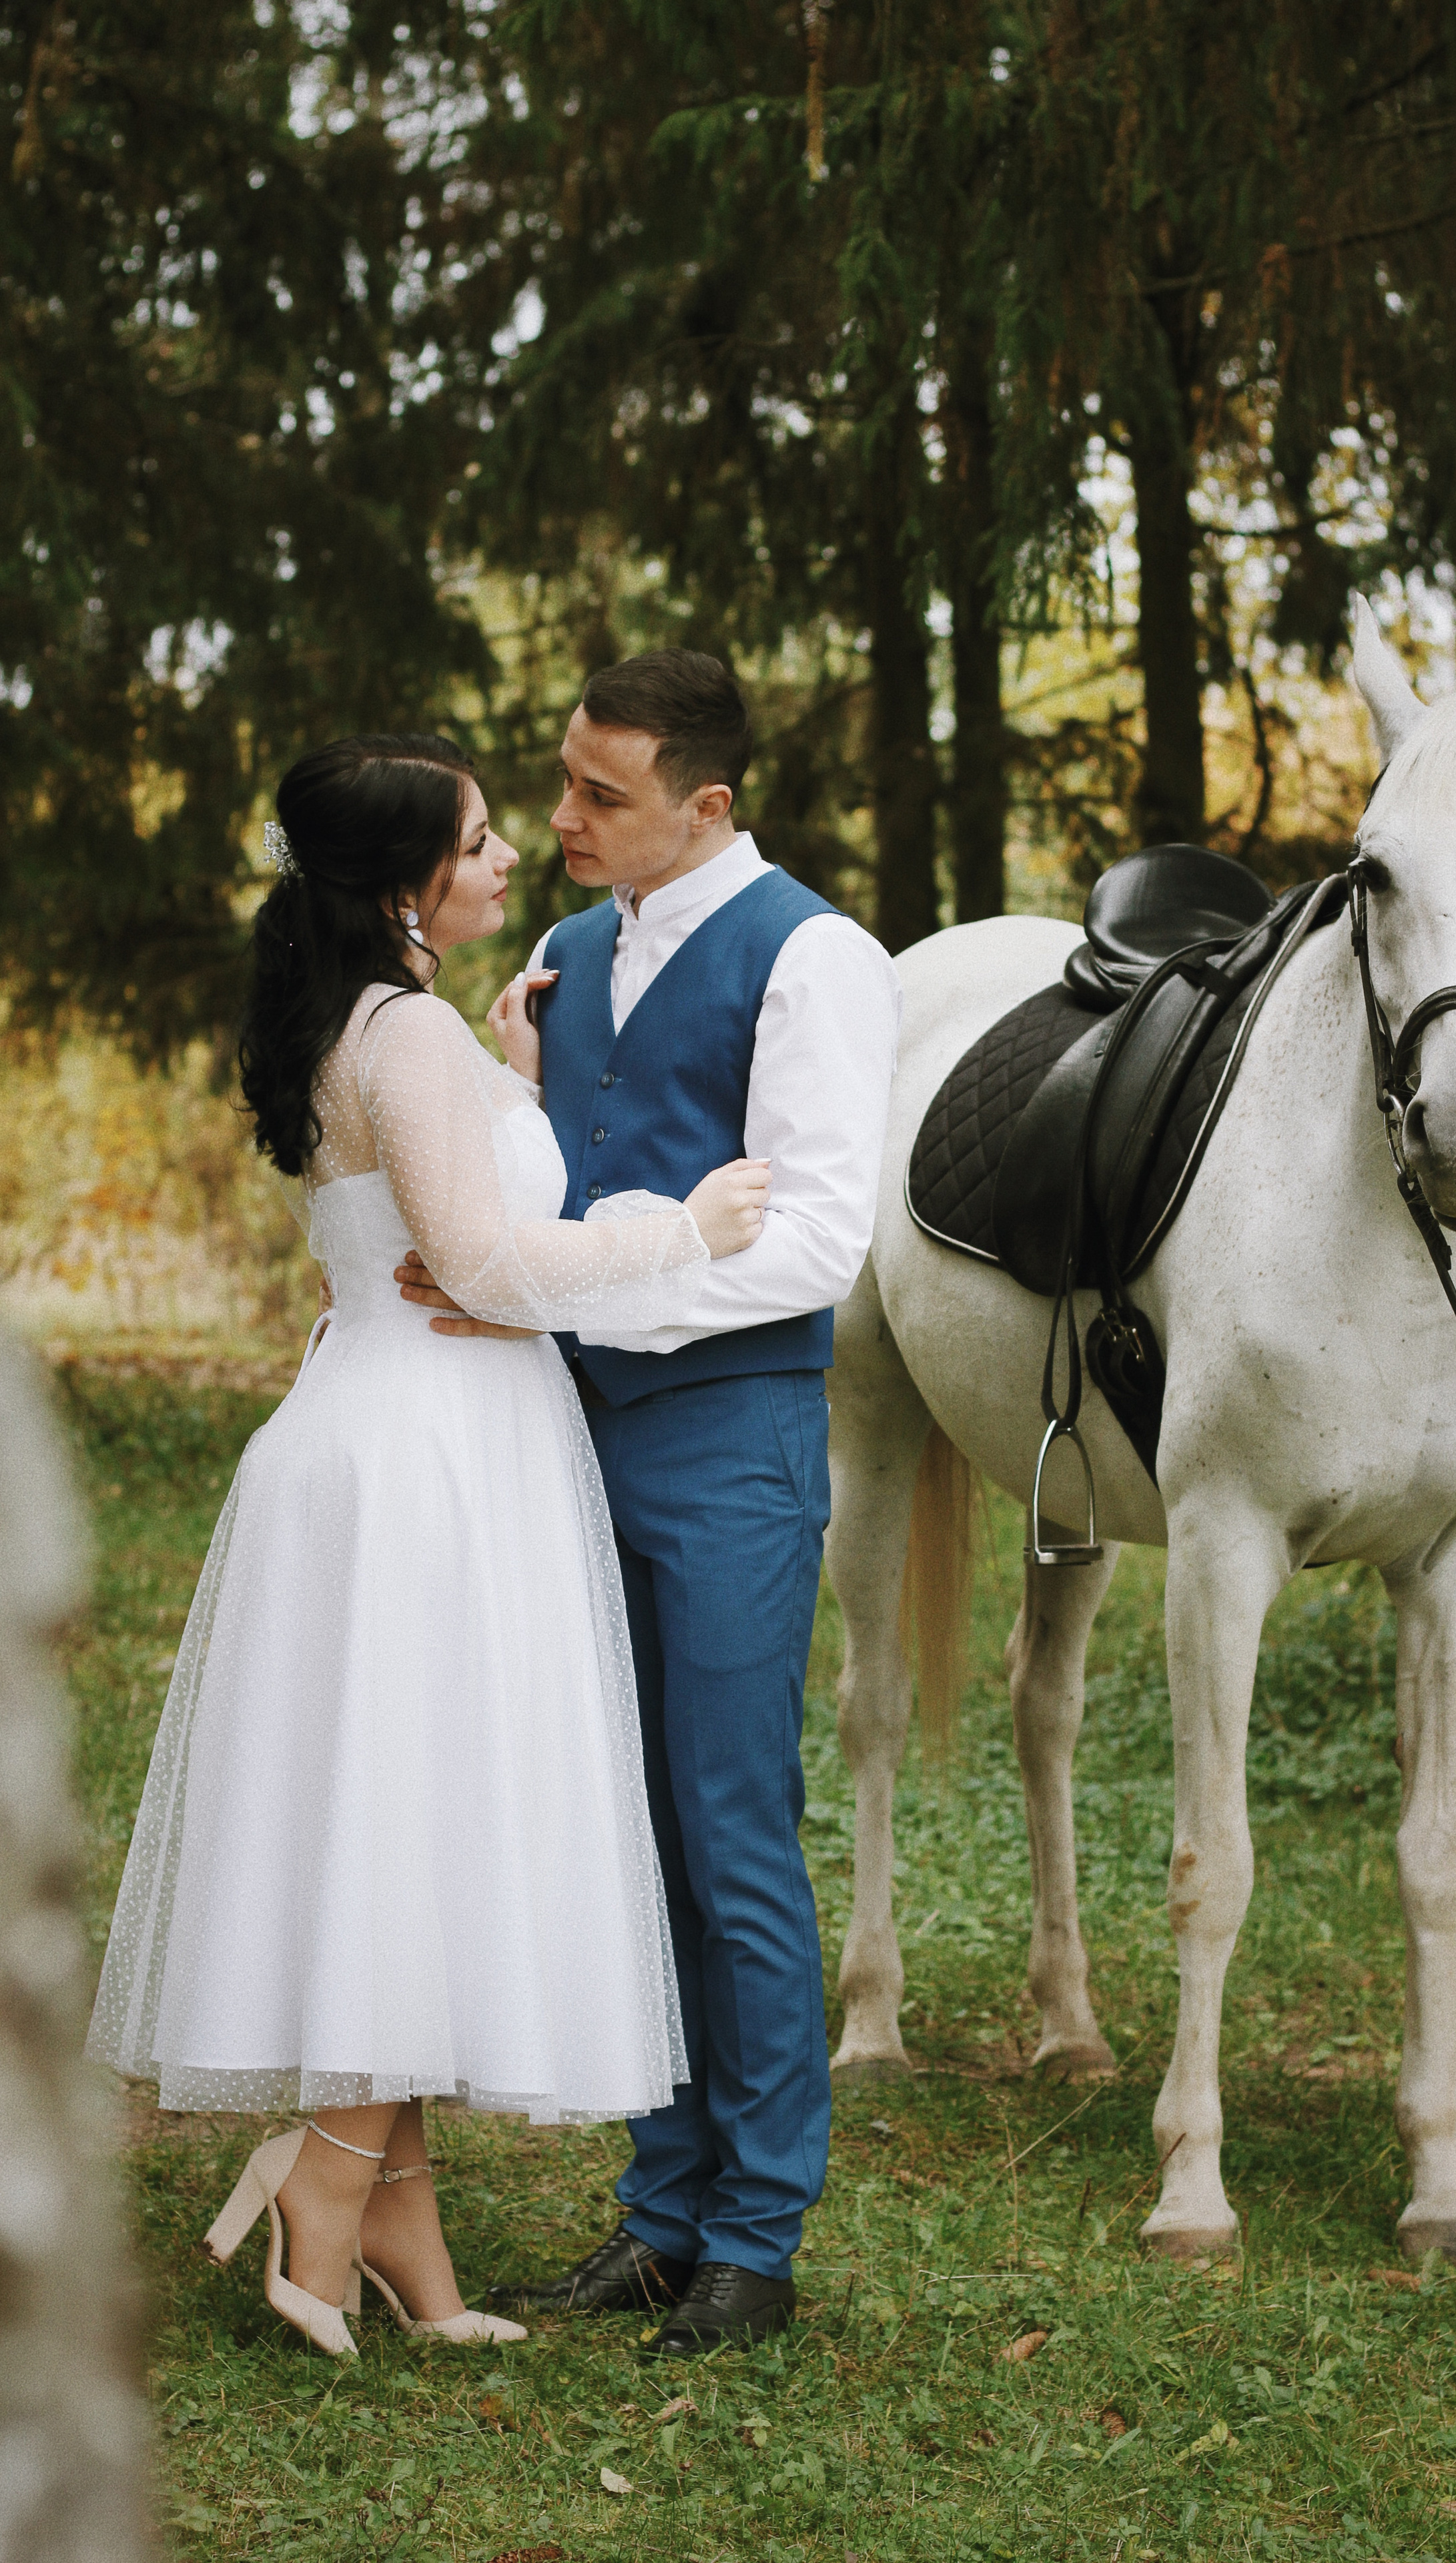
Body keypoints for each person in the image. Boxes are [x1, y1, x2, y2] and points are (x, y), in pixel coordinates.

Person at [86, 732, 770, 2360]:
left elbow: (434, 1210)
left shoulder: (392, 1030)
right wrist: (684, 1227)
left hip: (397, 1430)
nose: (512, 854)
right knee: (421, 1814)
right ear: (406, 885)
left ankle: (401, 2226)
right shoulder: (400, 1040)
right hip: (427, 1460)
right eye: (477, 842)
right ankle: (325, 2192)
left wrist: (512, 1063)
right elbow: (467, 1254)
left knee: (406, 1819)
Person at [400, 651, 900, 2356]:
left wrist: (569, 1299)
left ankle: (757, 2233)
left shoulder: (815, 960)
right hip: (560, 1434)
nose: (560, 819)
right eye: (558, 780)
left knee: (729, 1831)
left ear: (707, 806)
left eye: (600, 795)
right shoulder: (563, 960)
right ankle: (659, 2211)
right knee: (614, 1825)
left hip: (727, 1437)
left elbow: (821, 1240)